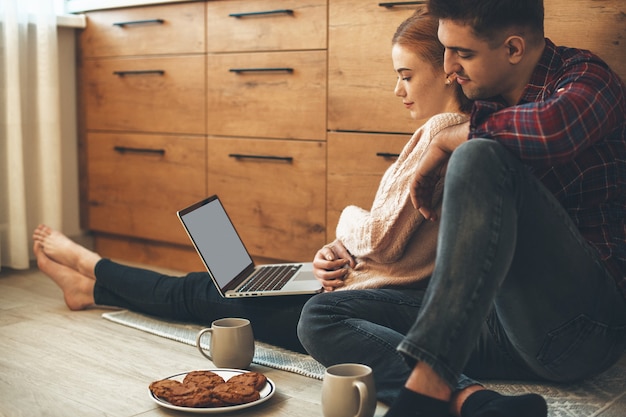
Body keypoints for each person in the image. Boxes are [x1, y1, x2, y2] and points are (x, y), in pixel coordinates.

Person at [32, 7, 470, 378]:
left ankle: (90, 267)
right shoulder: (448, 135)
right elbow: (394, 233)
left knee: (200, 294)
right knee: (220, 287)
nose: (398, 89)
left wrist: (344, 223)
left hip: (350, 300)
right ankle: (89, 290)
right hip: (349, 283)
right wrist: (336, 249)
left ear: (449, 72)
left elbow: (378, 235)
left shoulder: (440, 134)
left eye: (406, 76)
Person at [298, 0, 626, 416]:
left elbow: (553, 129)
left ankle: (431, 378)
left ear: (513, 49)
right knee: (320, 315)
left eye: (463, 54)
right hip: (500, 323)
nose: (449, 67)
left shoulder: (585, 78)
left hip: (584, 330)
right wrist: (345, 249)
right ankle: (475, 404)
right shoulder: (485, 101)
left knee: (479, 154)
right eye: (445, 49)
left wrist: (452, 140)